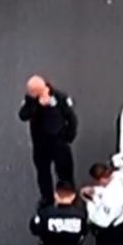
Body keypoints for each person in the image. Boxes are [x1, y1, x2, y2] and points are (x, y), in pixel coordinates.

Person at [19, 76, 79, 208]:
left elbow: (71, 118)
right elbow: (23, 115)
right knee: (43, 173)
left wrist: (68, 136)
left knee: (65, 172)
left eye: (32, 91)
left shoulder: (59, 98)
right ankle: (47, 198)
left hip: (59, 143)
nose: (30, 93)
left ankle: (68, 196)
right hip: (41, 145)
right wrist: (36, 104)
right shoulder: (31, 100)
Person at [31, 180, 88, 245]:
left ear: (56, 195)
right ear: (73, 196)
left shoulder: (46, 213)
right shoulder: (81, 216)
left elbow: (34, 228)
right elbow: (84, 232)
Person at [81, 162, 123, 245]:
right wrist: (94, 191)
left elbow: (104, 221)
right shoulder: (119, 177)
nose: (99, 184)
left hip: (113, 229)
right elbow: (105, 191)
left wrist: (90, 202)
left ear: (102, 178)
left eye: (98, 181)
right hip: (117, 223)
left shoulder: (115, 195)